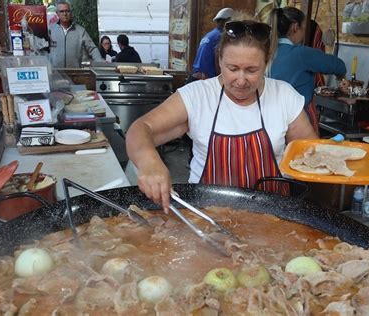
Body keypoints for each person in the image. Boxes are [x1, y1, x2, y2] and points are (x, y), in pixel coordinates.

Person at [126, 17, 317, 211]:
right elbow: (141, 128)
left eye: (251, 70)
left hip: (274, 217)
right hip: (205, 215)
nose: (241, 80)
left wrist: (332, 156)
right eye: (232, 68)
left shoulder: (284, 96)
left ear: (266, 63)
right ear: (219, 61)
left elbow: (309, 153)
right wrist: (149, 162)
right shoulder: (197, 96)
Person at [269, 7, 346, 132]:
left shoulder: (268, 51)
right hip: (299, 119)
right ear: (295, 27)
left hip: (272, 117)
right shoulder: (301, 53)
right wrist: (341, 77)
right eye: (303, 27)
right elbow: (338, 65)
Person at [49, 1, 102, 68]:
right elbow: (42, 50)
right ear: (57, 14)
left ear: (71, 12)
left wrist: (100, 62)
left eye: (67, 11)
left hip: (75, 73)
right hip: (55, 73)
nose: (65, 14)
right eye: (61, 11)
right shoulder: (51, 30)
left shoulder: (80, 31)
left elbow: (92, 48)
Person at [187, 7, 233, 83]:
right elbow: (218, 59)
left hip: (195, 76)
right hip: (205, 79)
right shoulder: (221, 36)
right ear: (227, 21)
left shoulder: (210, 34)